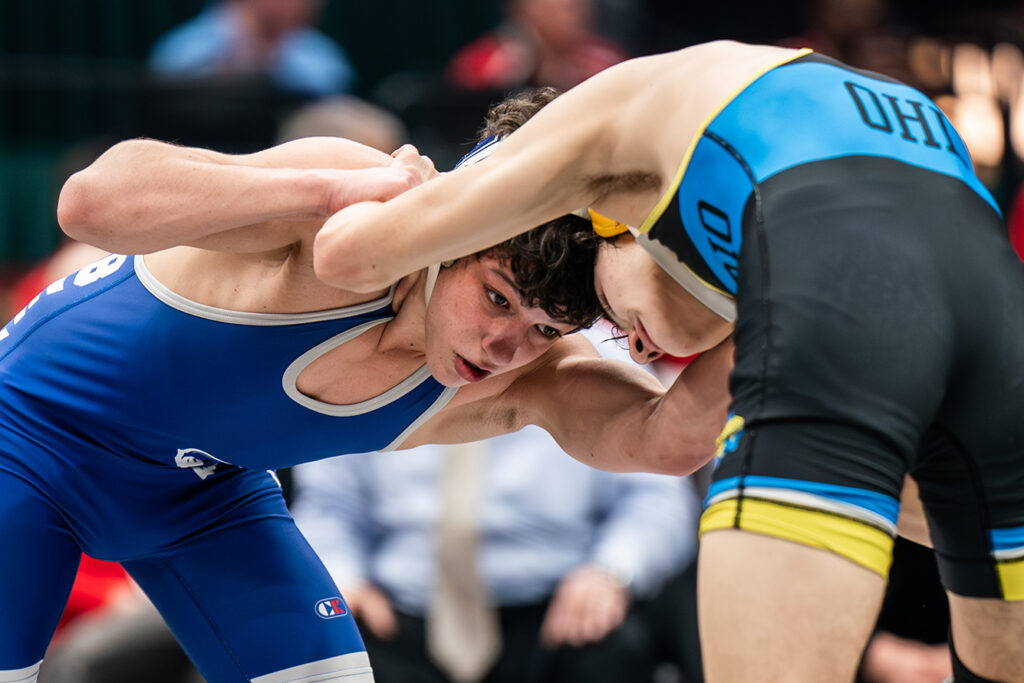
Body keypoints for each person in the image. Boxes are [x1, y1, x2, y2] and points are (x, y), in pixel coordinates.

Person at [315, 41, 1024, 682]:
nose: (642, 348)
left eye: (610, 321)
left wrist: (404, 185)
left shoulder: (603, 121)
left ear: (624, 220)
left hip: (841, 258)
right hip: (990, 290)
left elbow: (346, 254)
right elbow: (686, 438)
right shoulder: (745, 177)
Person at [0, 96, 729, 682]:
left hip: (198, 493)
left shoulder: (537, 374)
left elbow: (669, 442)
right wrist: (327, 189)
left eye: (543, 329)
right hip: (29, 438)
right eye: (499, 298)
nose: (503, 347)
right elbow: (87, 202)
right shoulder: (351, 200)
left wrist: (748, 323)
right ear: (451, 231)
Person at [289, 324, 700, 683]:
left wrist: (610, 572)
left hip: (554, 614)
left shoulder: (604, 360)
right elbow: (329, 502)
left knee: (615, 651)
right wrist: (345, 578)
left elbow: (657, 497)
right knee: (334, 653)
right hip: (400, 614)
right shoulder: (370, 362)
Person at [149, 0, 355, 97]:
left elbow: (335, 90)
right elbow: (165, 78)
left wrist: (271, 58)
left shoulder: (315, 50)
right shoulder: (187, 45)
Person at [446, 0, 627, 92]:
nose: (578, 15)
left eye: (581, 6)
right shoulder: (487, 61)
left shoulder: (605, 58)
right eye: (567, 8)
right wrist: (527, 65)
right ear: (529, 9)